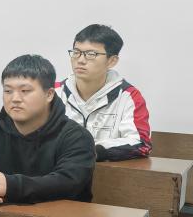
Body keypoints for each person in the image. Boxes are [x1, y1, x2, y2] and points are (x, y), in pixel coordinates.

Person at [0, 55, 95, 204]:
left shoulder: (76, 137)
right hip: (0, 214)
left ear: (49, 94)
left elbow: (68, 182)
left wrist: (11, 186)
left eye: (25, 91)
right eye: (8, 91)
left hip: (61, 216)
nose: (15, 98)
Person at [56, 24, 151, 161]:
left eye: (91, 54)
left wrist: (94, 151)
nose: (80, 60)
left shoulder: (128, 96)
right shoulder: (54, 92)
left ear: (112, 61)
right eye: (76, 52)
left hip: (106, 171)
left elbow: (141, 143)